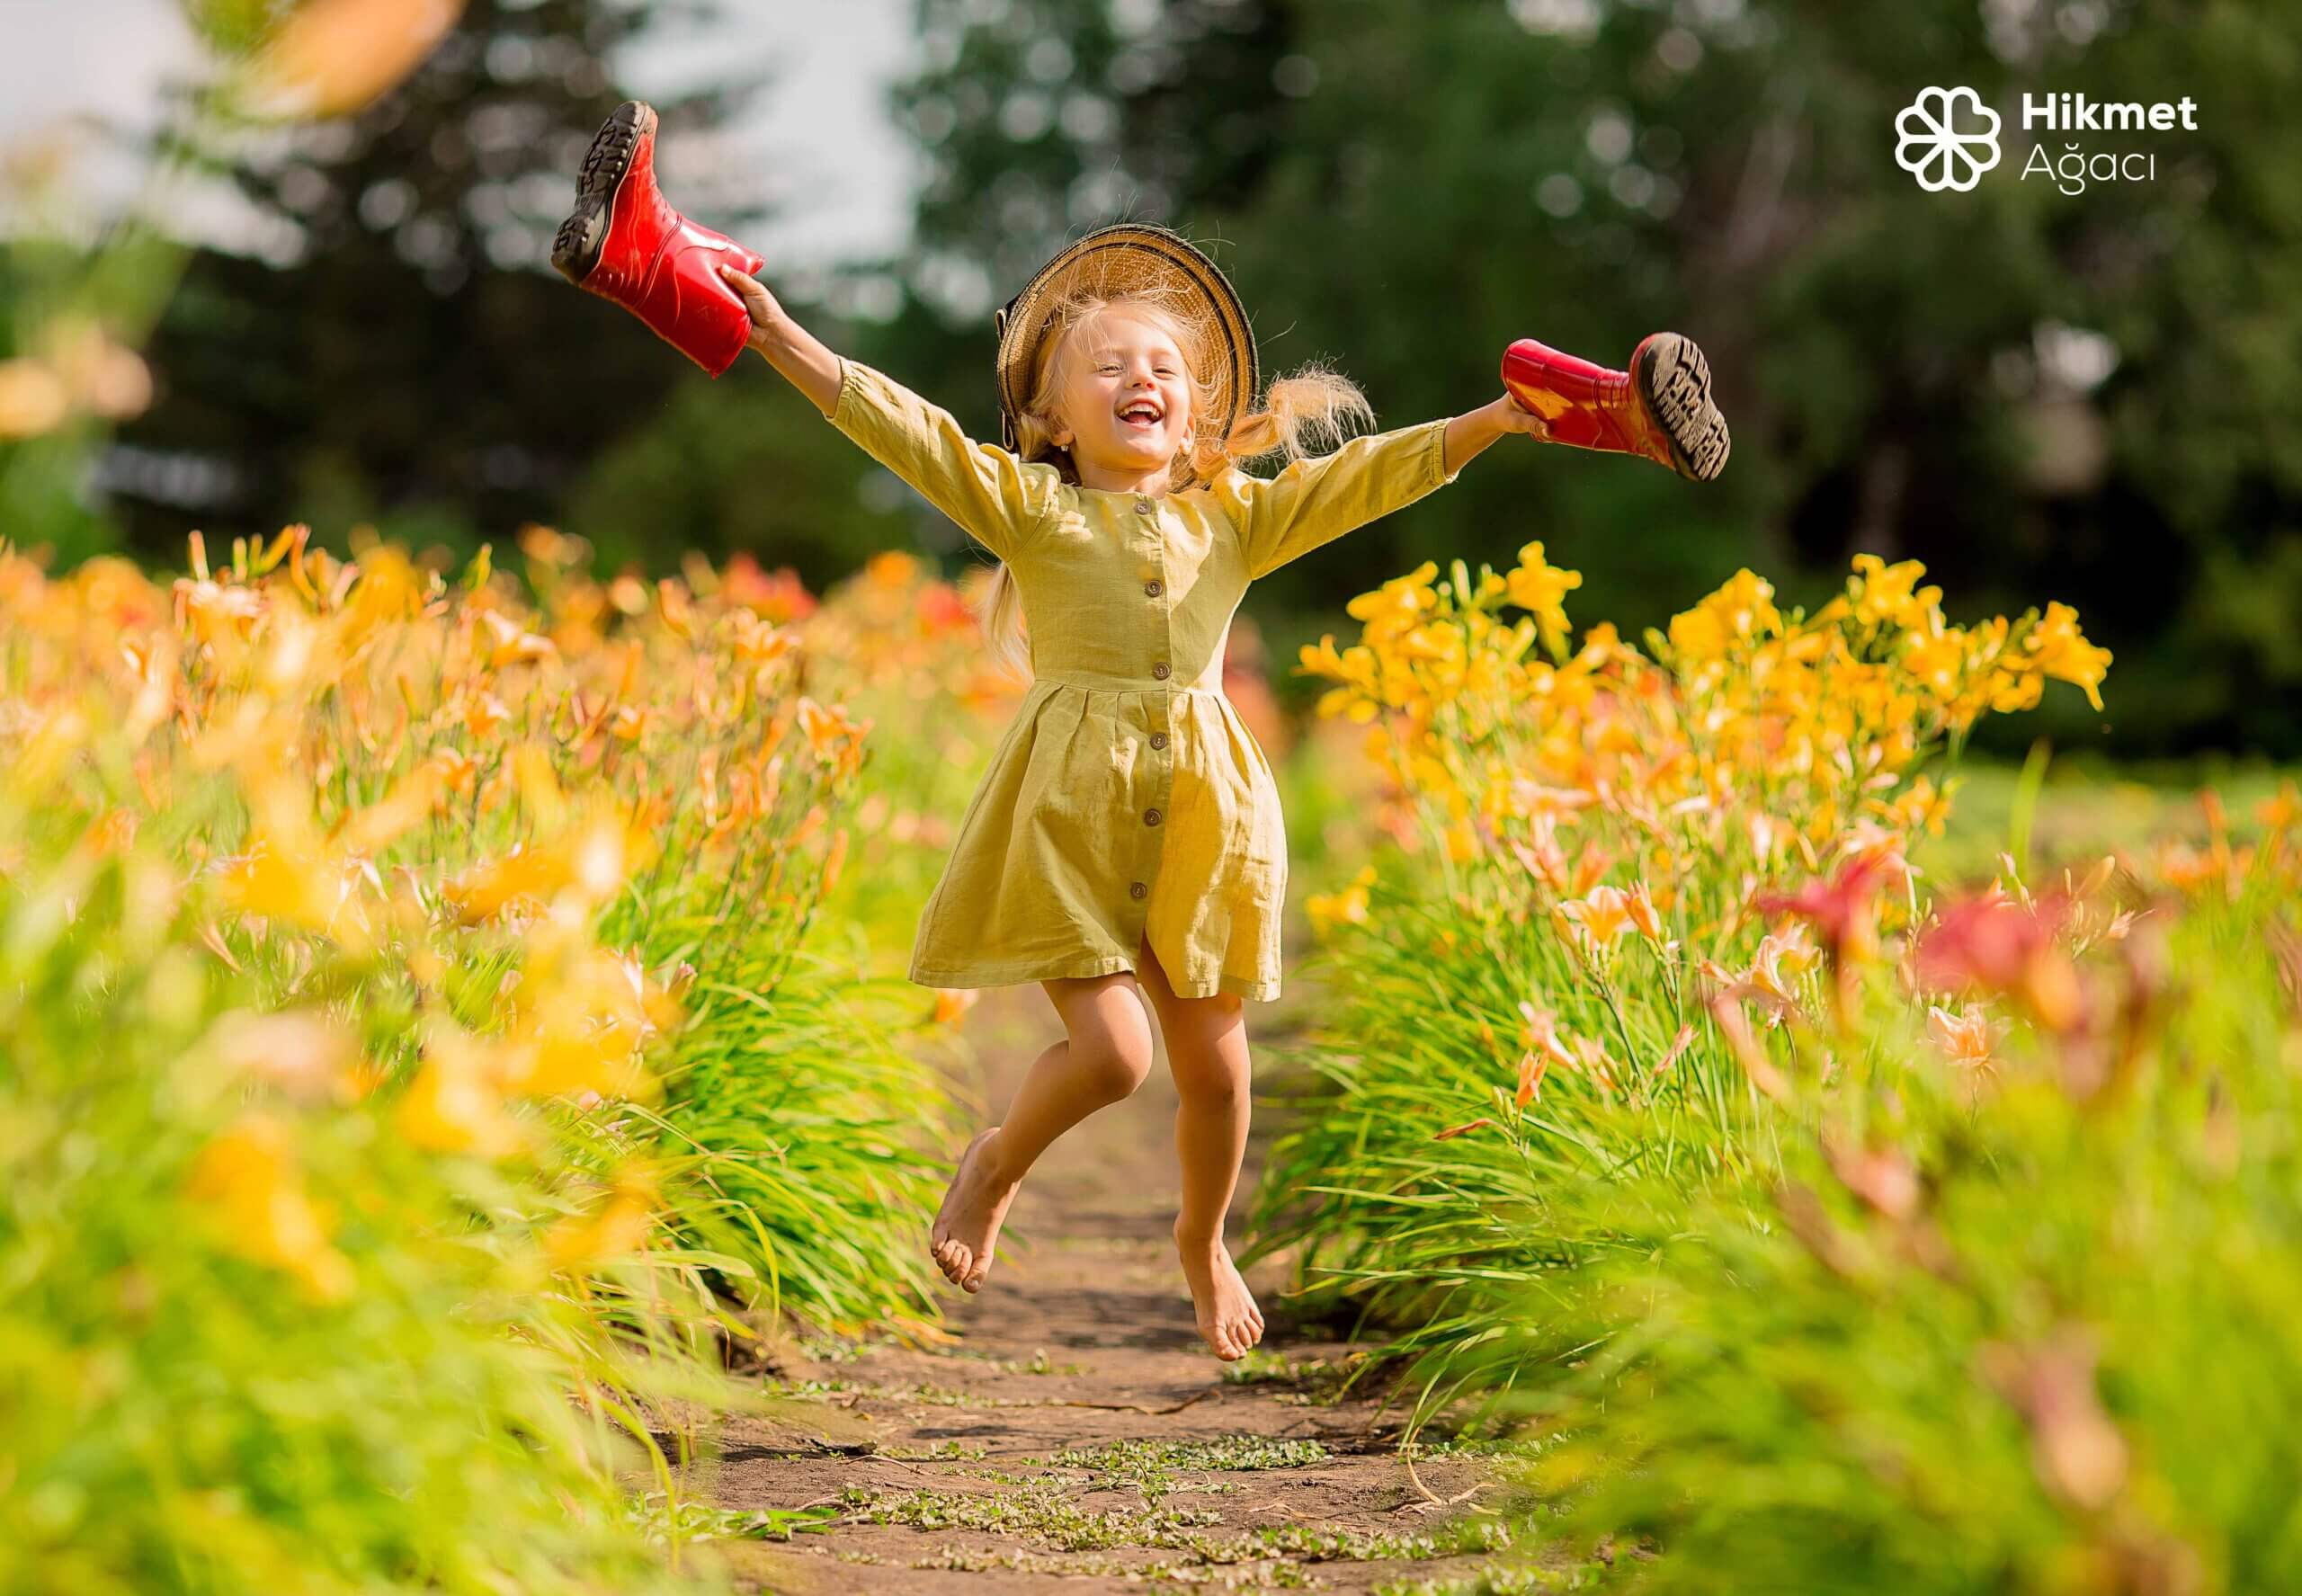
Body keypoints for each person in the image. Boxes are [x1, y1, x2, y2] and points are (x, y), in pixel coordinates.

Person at [557, 103, 1730, 1360]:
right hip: (1066, 820)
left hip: (1206, 827)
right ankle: (997, 1165)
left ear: (1196, 411)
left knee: (1219, 1076)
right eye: (1107, 366)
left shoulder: (1234, 520)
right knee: (1115, 1059)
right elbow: (890, 420)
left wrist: (1496, 422)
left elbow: (1362, 476)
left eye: (1163, 367)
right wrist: (779, 326)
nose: (1142, 380)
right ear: (1054, 418)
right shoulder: (1028, 508)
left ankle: (1201, 1240)